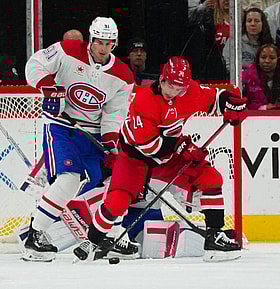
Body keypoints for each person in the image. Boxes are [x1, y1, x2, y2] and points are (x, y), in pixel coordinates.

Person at [73, 56, 247, 263]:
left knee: (211, 178)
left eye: (179, 89)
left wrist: (232, 104)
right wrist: (183, 147)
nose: (173, 92)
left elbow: (215, 99)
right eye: (170, 85)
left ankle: (214, 237)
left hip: (169, 156)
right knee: (117, 201)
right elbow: (149, 146)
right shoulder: (144, 100)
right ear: (162, 79)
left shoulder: (189, 91)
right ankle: (94, 242)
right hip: (134, 158)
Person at [23, 16, 134, 262]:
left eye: (108, 43)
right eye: (99, 42)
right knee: (69, 179)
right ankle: (35, 235)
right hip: (62, 126)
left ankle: (112, 236)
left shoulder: (123, 75)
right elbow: (35, 64)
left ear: (114, 44)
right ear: (90, 39)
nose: (102, 47)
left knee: (111, 183)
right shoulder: (66, 50)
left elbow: (115, 112)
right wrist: (49, 88)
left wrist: (110, 138)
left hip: (92, 133)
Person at [186, 0, 230, 82]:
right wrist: (202, 8)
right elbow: (188, 19)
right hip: (215, 69)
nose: (227, 1)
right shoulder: (210, 20)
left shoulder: (244, 20)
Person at [242, 43, 280, 109]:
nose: (267, 61)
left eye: (272, 58)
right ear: (258, 59)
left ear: (278, 59)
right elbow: (244, 103)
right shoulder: (247, 76)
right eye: (263, 57)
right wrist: (264, 108)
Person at [223, 7, 273, 73]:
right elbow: (228, 64)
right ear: (245, 24)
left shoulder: (269, 43)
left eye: (256, 21)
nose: (252, 24)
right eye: (249, 21)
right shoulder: (234, 40)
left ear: (263, 24)